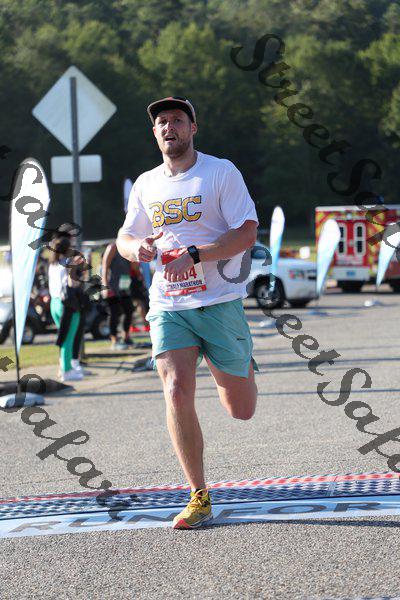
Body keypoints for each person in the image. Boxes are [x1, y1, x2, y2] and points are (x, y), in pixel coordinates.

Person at [117, 96, 259, 529]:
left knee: (240, 409)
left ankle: (237, 365)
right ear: (154, 132)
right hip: (169, 304)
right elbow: (125, 237)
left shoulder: (219, 172)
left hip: (218, 302)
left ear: (193, 128)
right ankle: (198, 495)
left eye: (177, 119)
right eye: (161, 121)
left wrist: (196, 254)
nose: (169, 127)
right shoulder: (146, 184)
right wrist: (136, 249)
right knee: (176, 388)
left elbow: (246, 233)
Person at [48, 236, 83, 382]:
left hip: (54, 303)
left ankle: (62, 368)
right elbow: (73, 284)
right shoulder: (67, 264)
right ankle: (67, 371)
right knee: (68, 339)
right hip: (66, 305)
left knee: (63, 337)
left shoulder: (52, 265)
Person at [101, 241, 134, 350]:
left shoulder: (128, 248)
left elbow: (134, 266)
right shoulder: (113, 247)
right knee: (114, 313)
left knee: (129, 310)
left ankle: (126, 337)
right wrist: (105, 286)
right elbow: (105, 266)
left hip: (124, 285)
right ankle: (114, 340)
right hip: (112, 286)